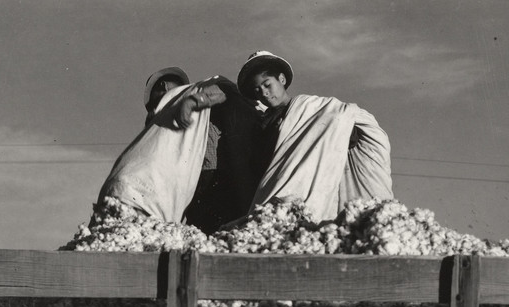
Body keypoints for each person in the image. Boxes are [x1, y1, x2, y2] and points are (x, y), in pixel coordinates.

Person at [97, 66, 265, 233]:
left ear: (165, 87)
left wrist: (193, 101)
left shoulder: (194, 96)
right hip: (189, 185)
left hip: (211, 176)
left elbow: (223, 91)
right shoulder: (158, 120)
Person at [236, 50, 394, 222]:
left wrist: (335, 130)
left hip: (314, 193)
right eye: (257, 90)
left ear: (281, 79)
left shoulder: (313, 110)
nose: (264, 93)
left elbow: (343, 124)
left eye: (267, 85)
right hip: (277, 197)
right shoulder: (263, 125)